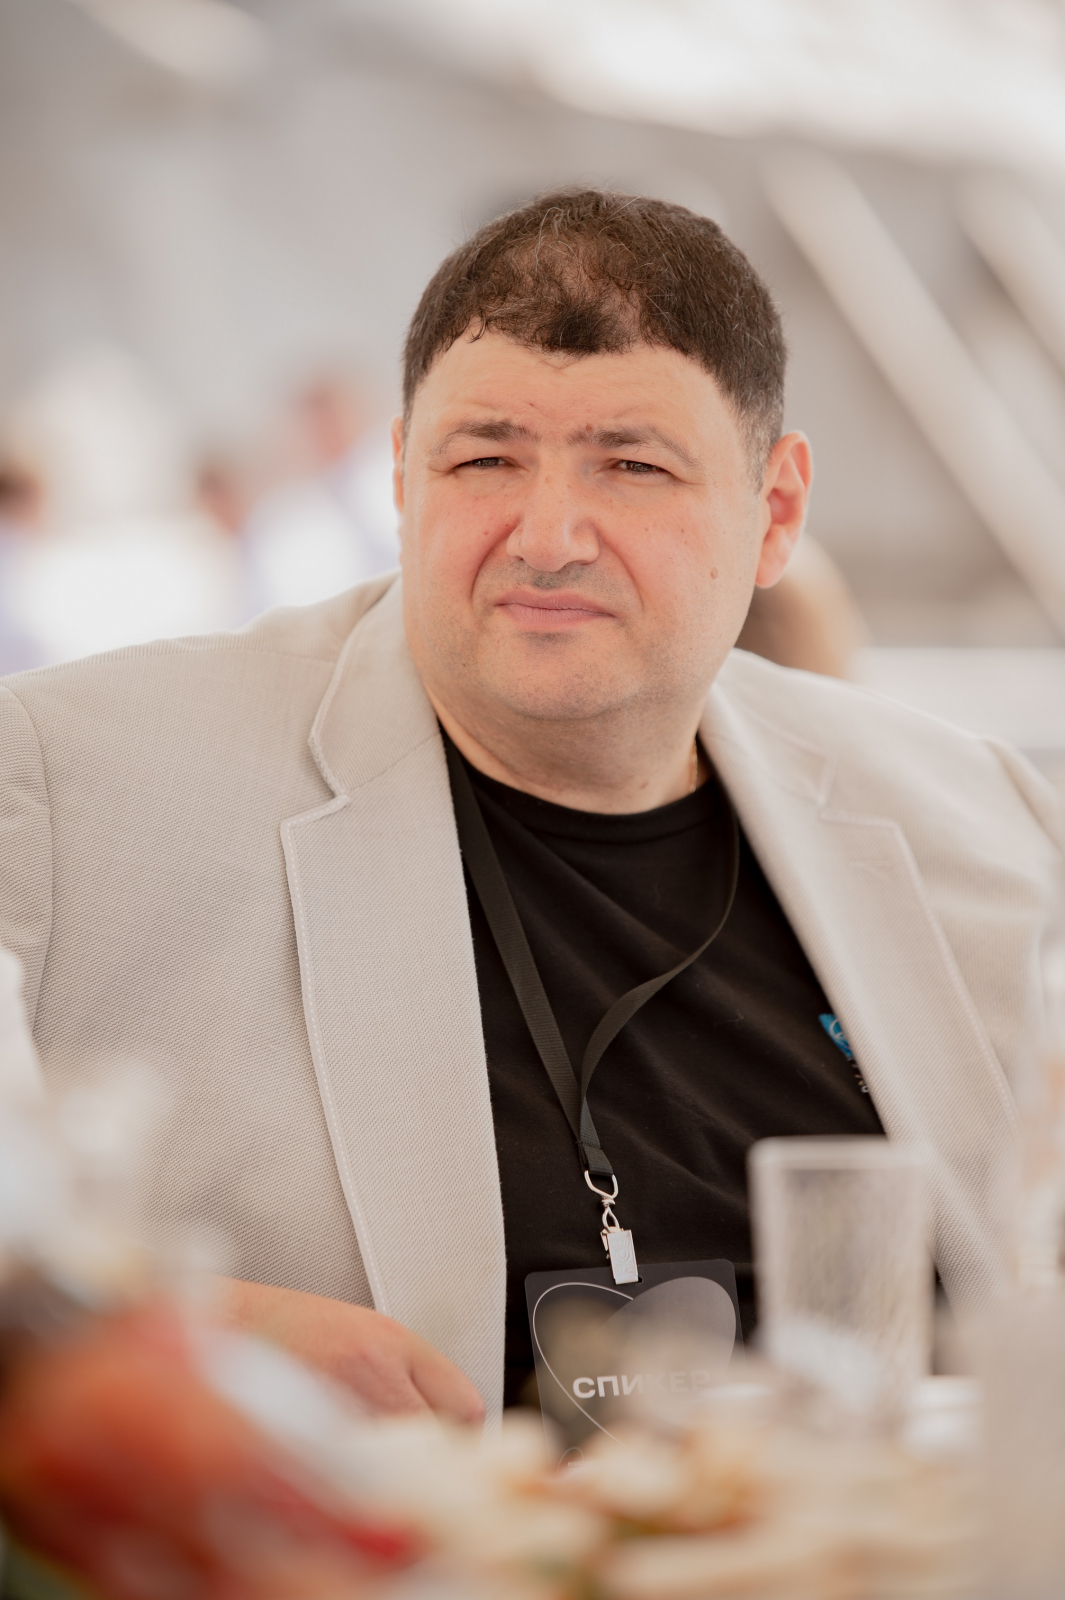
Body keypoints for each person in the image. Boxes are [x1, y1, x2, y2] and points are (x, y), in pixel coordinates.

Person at [0, 190, 1059, 1426]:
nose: (548, 536)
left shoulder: (978, 821)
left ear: (775, 513)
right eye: (485, 459)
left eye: (634, 465)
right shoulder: (76, 782)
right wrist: (189, 1327)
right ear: (402, 481)